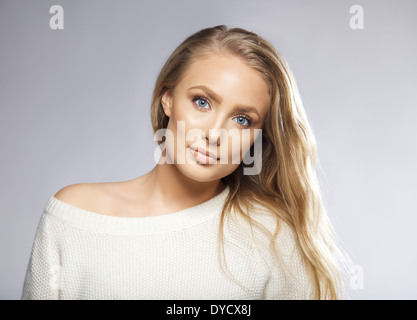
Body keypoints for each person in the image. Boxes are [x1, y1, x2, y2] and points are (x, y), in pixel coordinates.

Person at [22, 25, 348, 300]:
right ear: (168, 99)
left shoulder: (273, 235)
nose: (215, 133)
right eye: (202, 102)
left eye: (242, 120)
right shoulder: (74, 216)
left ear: (259, 137)